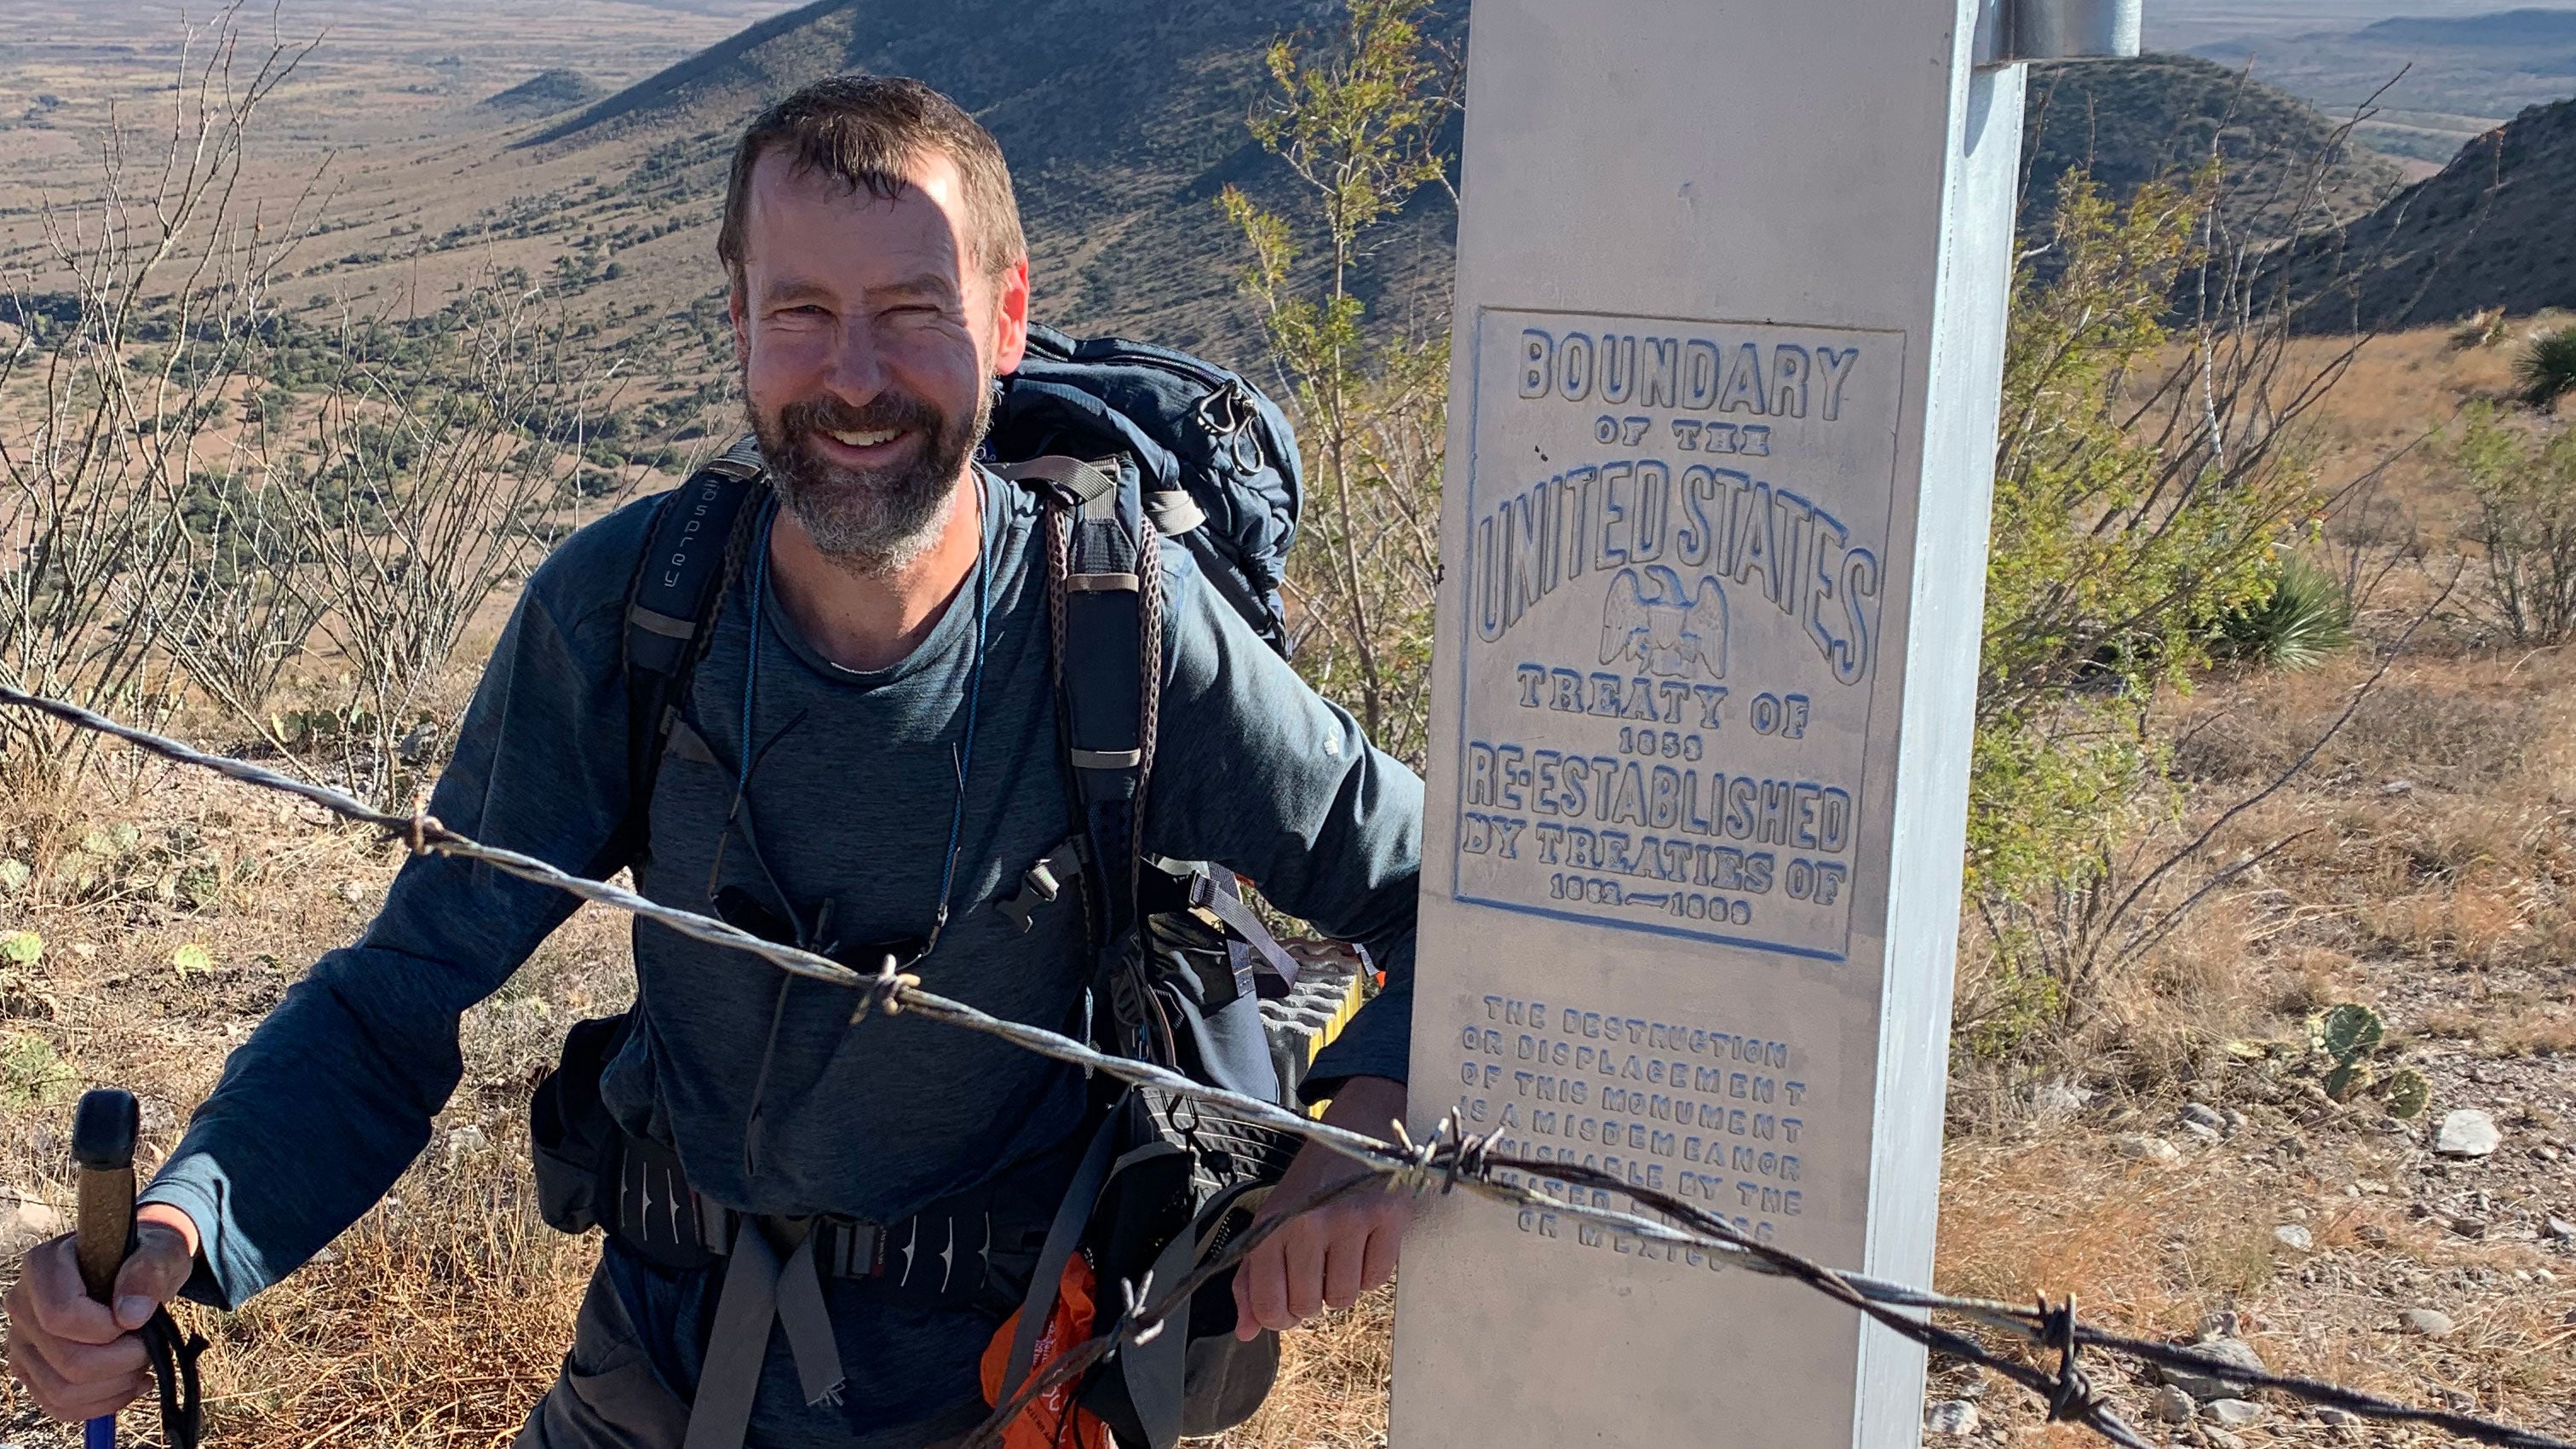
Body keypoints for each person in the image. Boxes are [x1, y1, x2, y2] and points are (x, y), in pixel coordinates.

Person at [4, 75, 1420, 1449]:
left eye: (912, 311)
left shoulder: (1121, 637)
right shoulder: (634, 612)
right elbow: (401, 994)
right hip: (650, 1379)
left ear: (1006, 321)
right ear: (736, 322)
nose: (854, 378)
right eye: (800, 311)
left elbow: (1432, 887)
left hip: (994, 1395)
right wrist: (183, 1233)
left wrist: (1362, 1124)